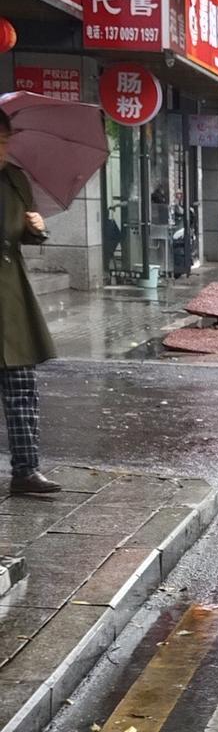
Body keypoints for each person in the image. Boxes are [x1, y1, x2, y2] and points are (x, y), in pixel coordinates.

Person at [0, 108, 59, 497]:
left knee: (21, 384)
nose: (5, 148)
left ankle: (26, 470)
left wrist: (35, 228)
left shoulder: (14, 180)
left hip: (10, 296)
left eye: (6, 140)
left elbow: (19, 230)